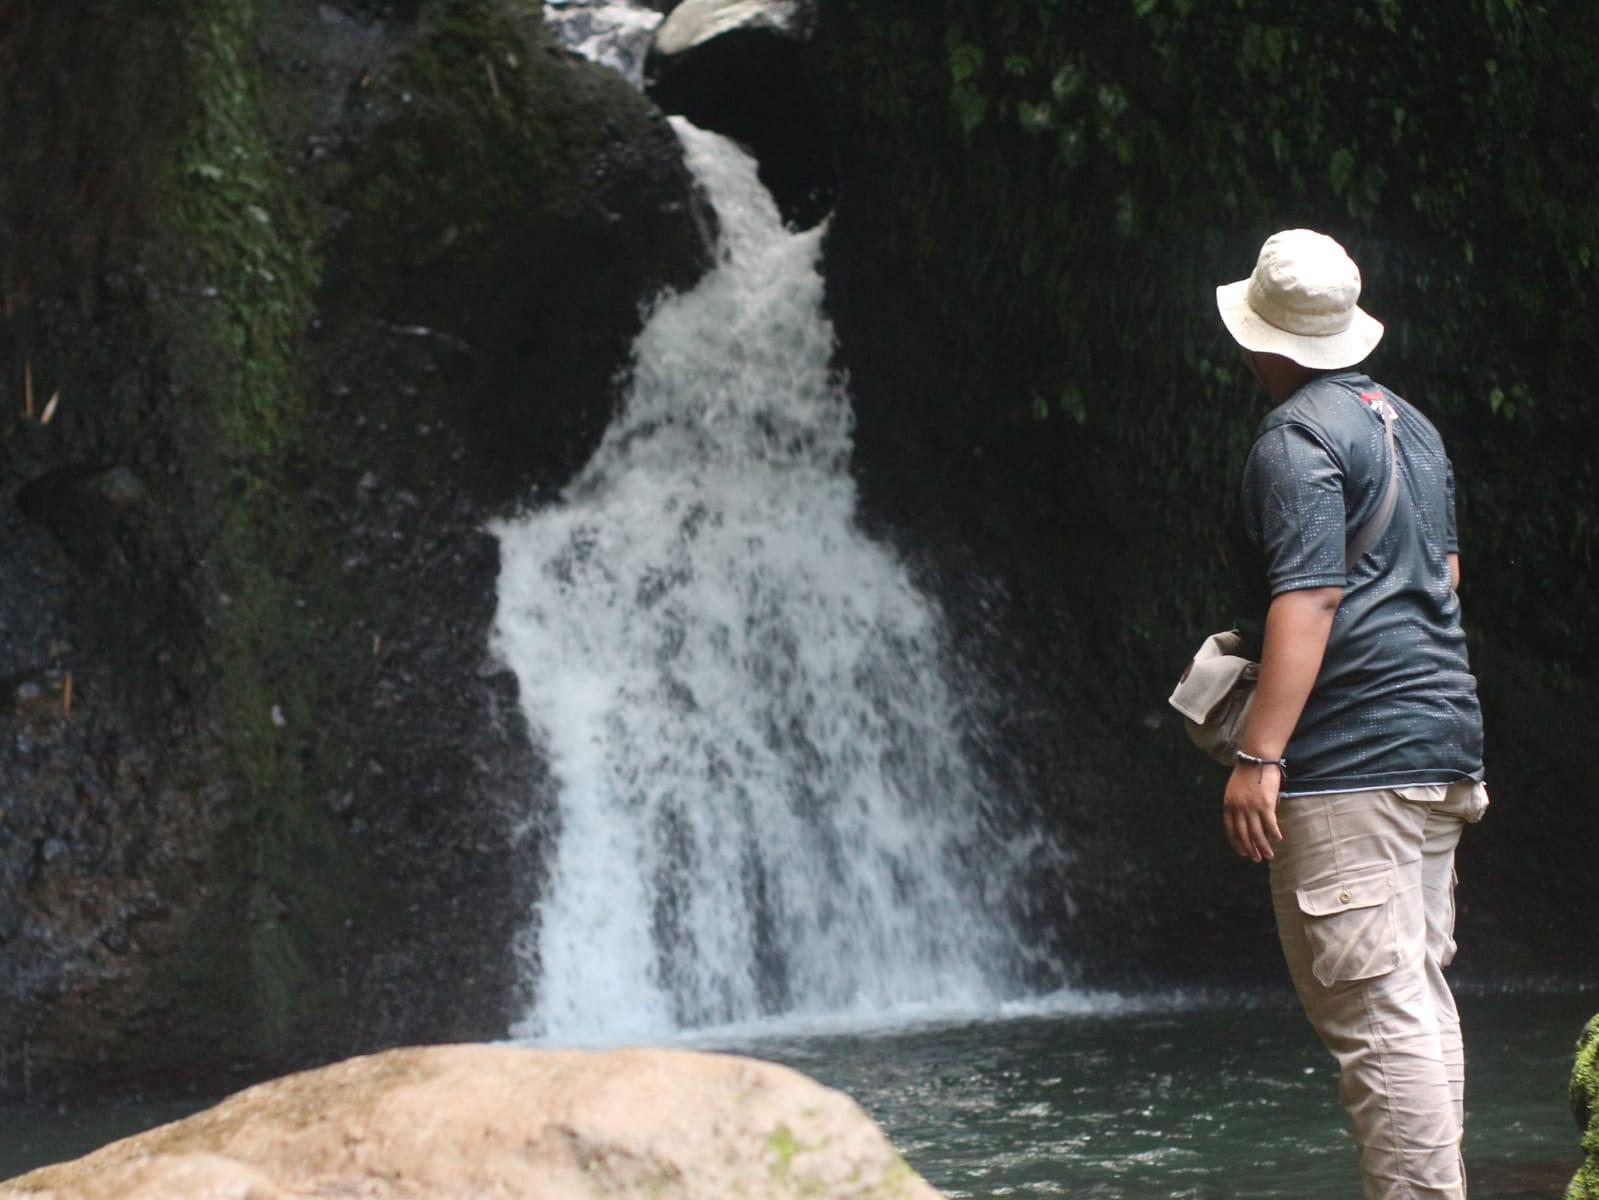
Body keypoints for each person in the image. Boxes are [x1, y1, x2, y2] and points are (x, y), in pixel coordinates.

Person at [1215, 228, 1489, 1200]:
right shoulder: (1410, 425)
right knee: (1412, 999)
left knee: (1379, 1018)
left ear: (1266, 340)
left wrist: (1261, 755)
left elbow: (1311, 596)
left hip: (1353, 765)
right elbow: (1442, 577)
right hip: (1439, 746)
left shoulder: (1295, 440)